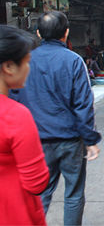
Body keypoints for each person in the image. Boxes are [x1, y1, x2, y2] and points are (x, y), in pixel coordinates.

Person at [10, 11, 101, 226]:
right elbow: (83, 105)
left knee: (40, 193)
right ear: (66, 33)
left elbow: (15, 99)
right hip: (70, 140)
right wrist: (90, 139)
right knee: (74, 193)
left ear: (39, 33)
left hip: (36, 141)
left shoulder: (26, 60)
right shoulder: (74, 61)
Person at [1, 25, 50, 226]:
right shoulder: (15, 115)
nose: (29, 68)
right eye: (27, 62)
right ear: (9, 67)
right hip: (13, 212)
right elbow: (36, 182)